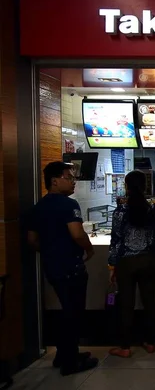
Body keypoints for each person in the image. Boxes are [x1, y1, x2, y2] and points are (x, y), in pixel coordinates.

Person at [27, 161, 98, 376]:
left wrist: (50, 252)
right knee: (73, 314)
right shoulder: (68, 205)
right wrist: (89, 250)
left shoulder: (38, 207)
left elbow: (32, 240)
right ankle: (70, 362)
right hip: (72, 267)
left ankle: (64, 354)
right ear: (55, 181)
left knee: (66, 311)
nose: (73, 181)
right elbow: (77, 234)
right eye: (69, 177)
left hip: (53, 268)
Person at [107, 170, 155, 358]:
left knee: (126, 304)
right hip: (148, 261)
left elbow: (115, 240)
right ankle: (150, 342)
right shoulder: (154, 210)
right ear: (145, 186)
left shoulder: (121, 211)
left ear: (126, 186)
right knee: (150, 302)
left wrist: (112, 265)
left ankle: (125, 347)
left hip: (126, 263)